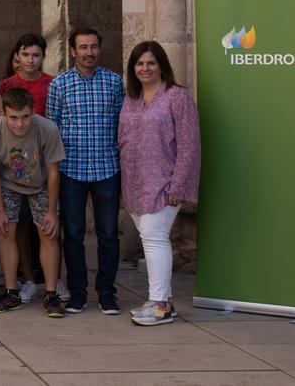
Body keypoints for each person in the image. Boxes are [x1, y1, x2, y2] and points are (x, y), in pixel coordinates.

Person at [118, 41, 200, 326]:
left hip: (165, 183)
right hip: (134, 183)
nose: (144, 68)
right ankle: (161, 300)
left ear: (161, 65)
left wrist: (179, 185)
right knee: (150, 238)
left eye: (150, 63)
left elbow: (189, 145)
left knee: (154, 238)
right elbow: (123, 140)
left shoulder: (177, 97)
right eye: (139, 64)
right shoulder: (131, 98)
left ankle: (161, 305)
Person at [46, 28, 124, 315]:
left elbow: (121, 126)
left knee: (107, 235)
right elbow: (52, 130)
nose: (89, 52)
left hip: (107, 168)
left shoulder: (115, 82)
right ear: (72, 51)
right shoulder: (60, 85)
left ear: (99, 49)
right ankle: (78, 293)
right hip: (71, 171)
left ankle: (107, 293)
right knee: (74, 236)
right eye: (83, 47)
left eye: (93, 46)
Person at [0, 88, 66, 318]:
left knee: (48, 233)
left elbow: (54, 172)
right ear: (3, 114)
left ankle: (51, 295)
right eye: (14, 118)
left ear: (33, 112)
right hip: (8, 184)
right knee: (5, 230)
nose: (20, 124)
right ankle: (11, 293)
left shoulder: (47, 129)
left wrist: (52, 212)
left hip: (41, 185)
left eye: (25, 117)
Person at [0, 33, 57, 298]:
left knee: (49, 227)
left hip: (44, 159)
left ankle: (52, 283)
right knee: (14, 227)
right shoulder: (5, 85)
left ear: (43, 56)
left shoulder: (54, 84)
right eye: (25, 54)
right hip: (13, 165)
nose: (30, 60)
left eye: (36, 55)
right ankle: (26, 277)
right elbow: (0, 117)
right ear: (16, 56)